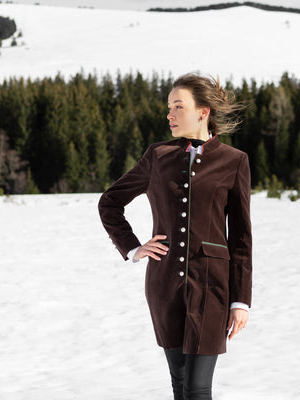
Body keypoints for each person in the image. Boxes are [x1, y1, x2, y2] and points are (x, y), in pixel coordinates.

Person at [98, 73, 252, 400]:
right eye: (169, 107)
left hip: (213, 287)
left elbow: (240, 238)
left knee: (198, 389)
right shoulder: (158, 156)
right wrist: (133, 247)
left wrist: (241, 300)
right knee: (180, 386)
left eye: (178, 106)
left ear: (203, 111)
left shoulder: (234, 162)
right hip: (164, 284)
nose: (169, 114)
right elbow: (110, 202)